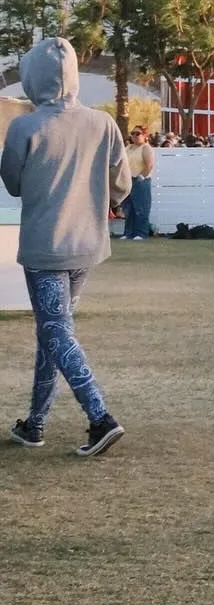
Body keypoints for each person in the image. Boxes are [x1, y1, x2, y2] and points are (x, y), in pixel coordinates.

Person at [1, 38, 130, 456]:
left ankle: (100, 417)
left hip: (45, 244)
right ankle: (34, 423)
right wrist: (96, 202)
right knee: (52, 331)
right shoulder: (103, 122)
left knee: (55, 329)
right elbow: (122, 185)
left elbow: (14, 184)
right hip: (87, 243)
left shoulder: (25, 126)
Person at [122, 125, 155, 239]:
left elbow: (149, 164)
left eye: (138, 133)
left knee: (141, 208)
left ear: (144, 135)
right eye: (133, 133)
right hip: (128, 180)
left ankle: (141, 233)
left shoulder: (146, 148)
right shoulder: (128, 147)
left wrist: (142, 176)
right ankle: (128, 233)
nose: (134, 136)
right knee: (128, 208)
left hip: (140, 180)